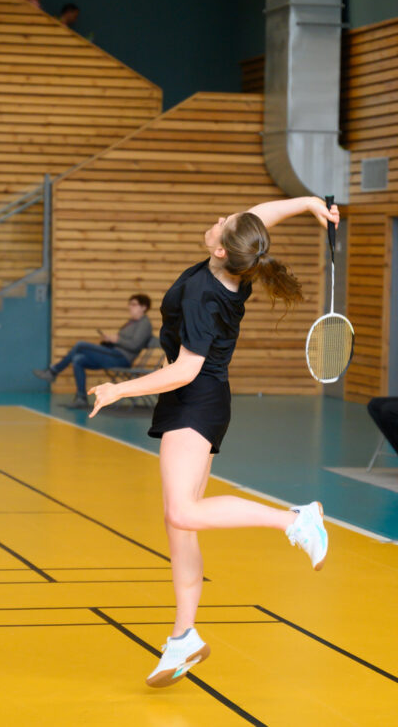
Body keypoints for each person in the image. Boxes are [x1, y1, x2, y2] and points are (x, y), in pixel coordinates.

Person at [88, 196, 340, 688]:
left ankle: (295, 519)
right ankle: (183, 636)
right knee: (179, 526)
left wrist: (119, 388)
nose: (219, 220)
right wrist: (309, 202)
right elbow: (257, 219)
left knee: (182, 513)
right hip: (198, 400)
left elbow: (185, 368)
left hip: (195, 400)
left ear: (224, 251)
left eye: (223, 225)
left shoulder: (206, 294)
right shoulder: (233, 263)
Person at [34, 294, 153, 408]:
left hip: (121, 358)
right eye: (130, 304)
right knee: (78, 359)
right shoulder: (132, 322)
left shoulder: (144, 324)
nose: (130, 307)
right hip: (113, 354)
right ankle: (81, 398)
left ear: (143, 307)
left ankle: (53, 371)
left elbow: (135, 345)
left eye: (134, 304)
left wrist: (117, 339)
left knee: (81, 345)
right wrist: (110, 340)